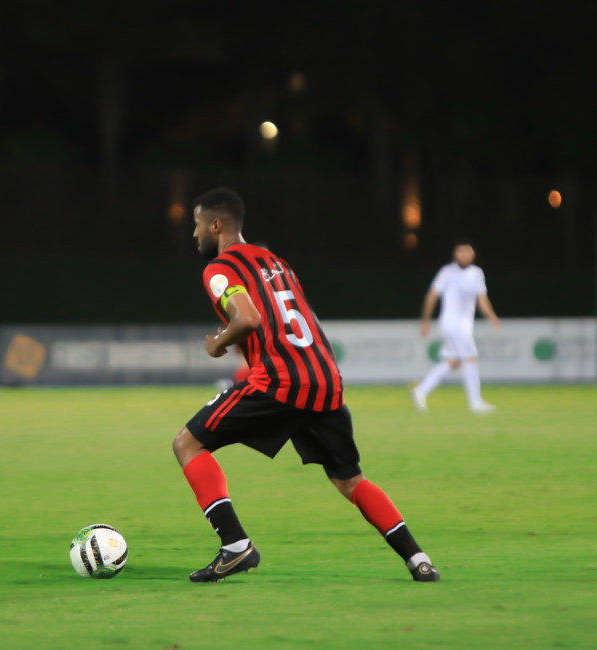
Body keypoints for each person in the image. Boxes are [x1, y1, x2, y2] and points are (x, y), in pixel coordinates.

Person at [173, 188, 439, 583]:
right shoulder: (279, 263)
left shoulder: (219, 269)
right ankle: (418, 559)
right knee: (351, 479)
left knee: (187, 443)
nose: (194, 233)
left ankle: (235, 546)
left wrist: (219, 341)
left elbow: (247, 318)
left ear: (216, 225)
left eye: (197, 224)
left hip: (280, 382)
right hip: (325, 380)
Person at [412, 241, 500, 413]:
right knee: (471, 358)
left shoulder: (477, 273)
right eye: (460, 252)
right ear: (455, 254)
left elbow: (481, 299)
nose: (464, 255)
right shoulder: (447, 272)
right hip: (453, 324)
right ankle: (475, 403)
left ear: (473, 254)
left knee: (453, 361)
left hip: (465, 324)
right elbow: (432, 295)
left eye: (467, 252)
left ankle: (420, 391)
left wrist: (492, 316)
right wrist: (425, 320)